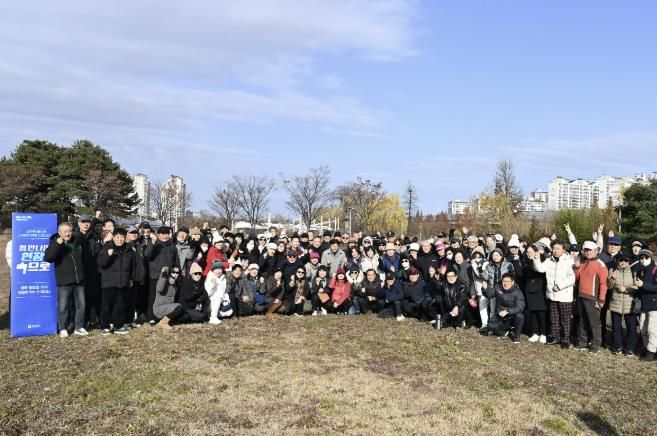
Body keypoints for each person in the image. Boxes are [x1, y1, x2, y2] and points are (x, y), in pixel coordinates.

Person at [44, 222, 87, 337]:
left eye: (69, 231)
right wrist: (57, 244)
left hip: (79, 280)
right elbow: (48, 258)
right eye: (65, 231)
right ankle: (62, 328)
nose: (67, 234)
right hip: (64, 282)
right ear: (59, 232)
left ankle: (79, 327)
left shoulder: (77, 241)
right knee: (63, 306)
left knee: (81, 305)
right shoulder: (55, 243)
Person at [532, 240, 574, 348]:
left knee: (565, 319)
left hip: (564, 295)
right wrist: (536, 259)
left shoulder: (569, 261)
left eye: (558, 249)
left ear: (563, 249)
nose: (555, 251)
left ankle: (565, 339)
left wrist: (560, 286)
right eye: (554, 248)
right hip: (552, 295)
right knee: (554, 318)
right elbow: (540, 269)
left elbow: (572, 278)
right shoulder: (549, 260)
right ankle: (555, 337)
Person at [96, 228, 136, 335]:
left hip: (123, 283)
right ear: (113, 238)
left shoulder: (129, 250)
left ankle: (118, 326)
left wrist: (131, 279)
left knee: (120, 306)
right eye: (117, 237)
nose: (119, 240)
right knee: (106, 306)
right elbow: (101, 263)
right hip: (109, 283)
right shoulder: (107, 248)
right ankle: (104, 326)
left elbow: (133, 266)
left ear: (125, 238)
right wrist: (108, 256)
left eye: (122, 237)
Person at [574, 240, 609, 353]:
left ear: (596, 251)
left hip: (592, 298)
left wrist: (601, 299)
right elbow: (577, 278)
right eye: (586, 250)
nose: (588, 252)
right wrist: (576, 268)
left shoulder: (600, 265)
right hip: (581, 296)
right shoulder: (583, 263)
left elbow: (604, 284)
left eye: (590, 250)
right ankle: (582, 342)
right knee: (582, 321)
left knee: (594, 323)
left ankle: (595, 345)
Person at [144, 226, 180, 324]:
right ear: (158, 235)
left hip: (168, 276)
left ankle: (164, 316)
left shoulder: (172, 246)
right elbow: (147, 254)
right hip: (155, 276)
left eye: (167, 234)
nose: (165, 236)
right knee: (153, 297)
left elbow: (176, 261)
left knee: (166, 297)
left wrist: (176, 273)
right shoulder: (154, 244)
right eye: (162, 234)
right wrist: (152, 243)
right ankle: (151, 317)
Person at [607, 254, 639, 356]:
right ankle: (617, 346)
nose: (623, 262)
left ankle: (629, 348)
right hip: (616, 304)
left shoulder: (633, 272)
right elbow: (609, 286)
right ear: (618, 261)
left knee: (631, 328)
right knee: (616, 328)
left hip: (630, 305)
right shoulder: (613, 271)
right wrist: (612, 278)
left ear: (629, 261)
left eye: (626, 260)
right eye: (621, 260)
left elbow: (637, 287)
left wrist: (626, 289)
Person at [486, 272, 525, 343]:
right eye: (504, 281)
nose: (505, 283)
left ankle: (516, 337)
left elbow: (520, 307)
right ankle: (505, 331)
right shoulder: (497, 287)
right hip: (500, 316)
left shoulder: (518, 292)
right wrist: (485, 288)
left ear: (512, 282)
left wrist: (508, 311)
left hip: (512, 316)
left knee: (520, 316)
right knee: (490, 326)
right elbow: (489, 294)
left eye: (508, 281)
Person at [636, 249, 657, 361]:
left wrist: (644, 285)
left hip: (654, 305)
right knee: (642, 328)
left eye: (646, 257)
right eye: (641, 258)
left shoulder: (655, 269)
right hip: (643, 305)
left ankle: (652, 352)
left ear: (651, 258)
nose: (643, 260)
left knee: (652, 329)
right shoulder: (640, 270)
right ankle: (647, 347)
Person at [153, 265, 188, 330]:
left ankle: (164, 321)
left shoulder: (175, 283)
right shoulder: (164, 280)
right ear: (170, 272)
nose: (175, 274)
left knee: (185, 316)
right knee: (178, 307)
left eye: (177, 273)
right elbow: (159, 288)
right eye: (173, 272)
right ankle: (163, 323)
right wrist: (164, 275)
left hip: (168, 308)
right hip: (159, 309)